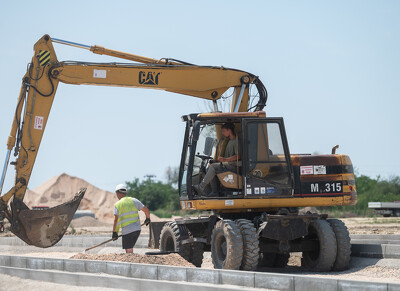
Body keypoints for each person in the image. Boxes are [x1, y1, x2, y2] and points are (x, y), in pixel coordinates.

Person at [196, 122, 240, 196]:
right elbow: (225, 158)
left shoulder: (236, 141)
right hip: (228, 164)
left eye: (224, 131)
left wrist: (225, 160)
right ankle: (215, 192)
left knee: (213, 167)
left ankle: (201, 187)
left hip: (235, 166)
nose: (222, 133)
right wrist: (217, 161)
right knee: (209, 167)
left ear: (229, 130)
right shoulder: (229, 142)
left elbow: (238, 156)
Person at [112, 184, 151, 253]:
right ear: (125, 193)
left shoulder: (118, 204)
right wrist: (148, 218)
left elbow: (116, 220)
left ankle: (131, 262)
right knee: (130, 247)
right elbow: (146, 210)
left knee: (129, 251)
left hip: (127, 231)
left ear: (118, 193)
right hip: (137, 230)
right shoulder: (134, 201)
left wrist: (115, 232)